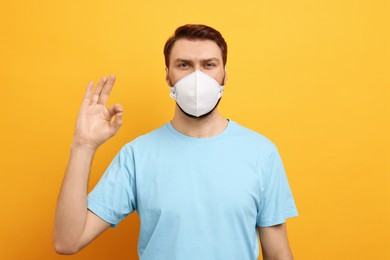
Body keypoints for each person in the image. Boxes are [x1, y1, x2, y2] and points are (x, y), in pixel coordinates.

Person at [53, 24, 298, 260]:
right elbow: (67, 241)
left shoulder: (261, 153)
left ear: (224, 75)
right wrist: (83, 147)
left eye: (209, 65)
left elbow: (278, 254)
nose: (197, 77)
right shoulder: (138, 155)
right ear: (168, 76)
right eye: (184, 65)